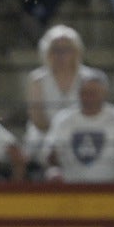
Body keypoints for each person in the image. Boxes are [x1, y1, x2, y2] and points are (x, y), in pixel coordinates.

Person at [43, 69, 114, 182]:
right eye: (84, 93)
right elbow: (50, 154)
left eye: (94, 93)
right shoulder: (63, 119)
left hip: (112, 185)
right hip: (71, 185)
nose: (88, 97)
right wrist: (54, 170)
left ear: (105, 93)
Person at [23, 25, 97, 167]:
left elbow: (94, 112)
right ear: (47, 53)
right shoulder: (37, 79)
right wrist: (58, 135)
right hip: (44, 135)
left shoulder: (89, 78)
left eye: (66, 50)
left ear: (76, 52)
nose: (60, 55)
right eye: (55, 50)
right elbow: (37, 119)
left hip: (81, 134)